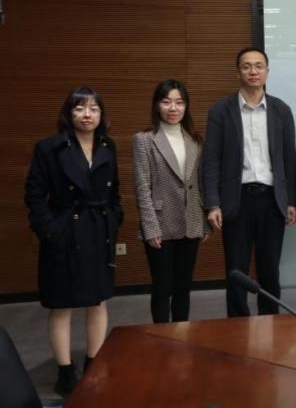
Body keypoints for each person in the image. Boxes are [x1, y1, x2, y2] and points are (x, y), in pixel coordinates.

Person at [24, 87, 123, 397]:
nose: (87, 114)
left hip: (97, 232)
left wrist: (113, 219)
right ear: (68, 113)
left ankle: (95, 362)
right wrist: (51, 230)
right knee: (61, 304)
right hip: (64, 231)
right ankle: (65, 372)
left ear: (101, 114)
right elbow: (34, 195)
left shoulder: (107, 146)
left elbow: (114, 192)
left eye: (93, 108)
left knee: (98, 301)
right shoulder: (48, 148)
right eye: (79, 108)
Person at [202, 47, 296, 317]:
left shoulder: (281, 110)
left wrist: (292, 200)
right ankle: (238, 326)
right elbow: (211, 160)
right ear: (238, 73)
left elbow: (290, 159)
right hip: (237, 200)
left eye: (258, 66)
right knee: (236, 270)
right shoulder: (221, 110)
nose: (253, 71)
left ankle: (271, 322)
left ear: (267, 72)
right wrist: (213, 204)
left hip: (272, 200)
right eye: (246, 66)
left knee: (270, 269)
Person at [132, 79, 210, 323]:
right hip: (160, 223)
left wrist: (204, 223)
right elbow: (142, 187)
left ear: (186, 106)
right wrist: (150, 228)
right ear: (157, 105)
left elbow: (200, 184)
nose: (173, 108)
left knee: (184, 287)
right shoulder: (144, 139)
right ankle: (162, 336)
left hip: (191, 223)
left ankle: (181, 333)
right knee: (162, 287)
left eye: (179, 102)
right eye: (166, 102)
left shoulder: (195, 140)